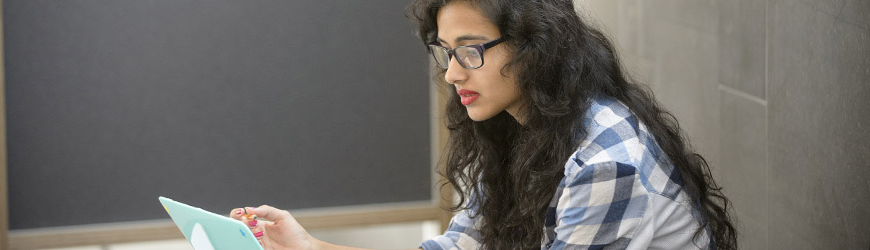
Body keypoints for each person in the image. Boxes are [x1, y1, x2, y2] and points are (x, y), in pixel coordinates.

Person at [230, 0, 737, 249]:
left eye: (470, 51)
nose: (451, 73)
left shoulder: (606, 164)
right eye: (446, 52)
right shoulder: (517, 127)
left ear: (538, 45)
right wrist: (309, 246)